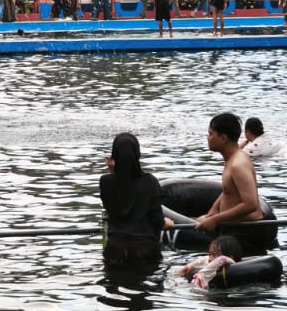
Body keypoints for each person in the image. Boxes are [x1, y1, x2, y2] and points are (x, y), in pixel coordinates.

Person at [173, 113, 265, 234]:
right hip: (230, 223)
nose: (208, 137)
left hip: (244, 230)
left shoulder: (238, 165)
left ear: (223, 138)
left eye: (211, 134)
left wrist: (215, 220)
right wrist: (212, 213)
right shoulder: (231, 159)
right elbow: (228, 191)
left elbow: (251, 204)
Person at [99, 132, 164, 267]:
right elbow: (157, 220)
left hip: (115, 251)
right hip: (146, 250)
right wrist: (165, 223)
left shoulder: (105, 182)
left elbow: (111, 206)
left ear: (114, 155)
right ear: (137, 154)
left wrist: (113, 173)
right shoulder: (150, 182)